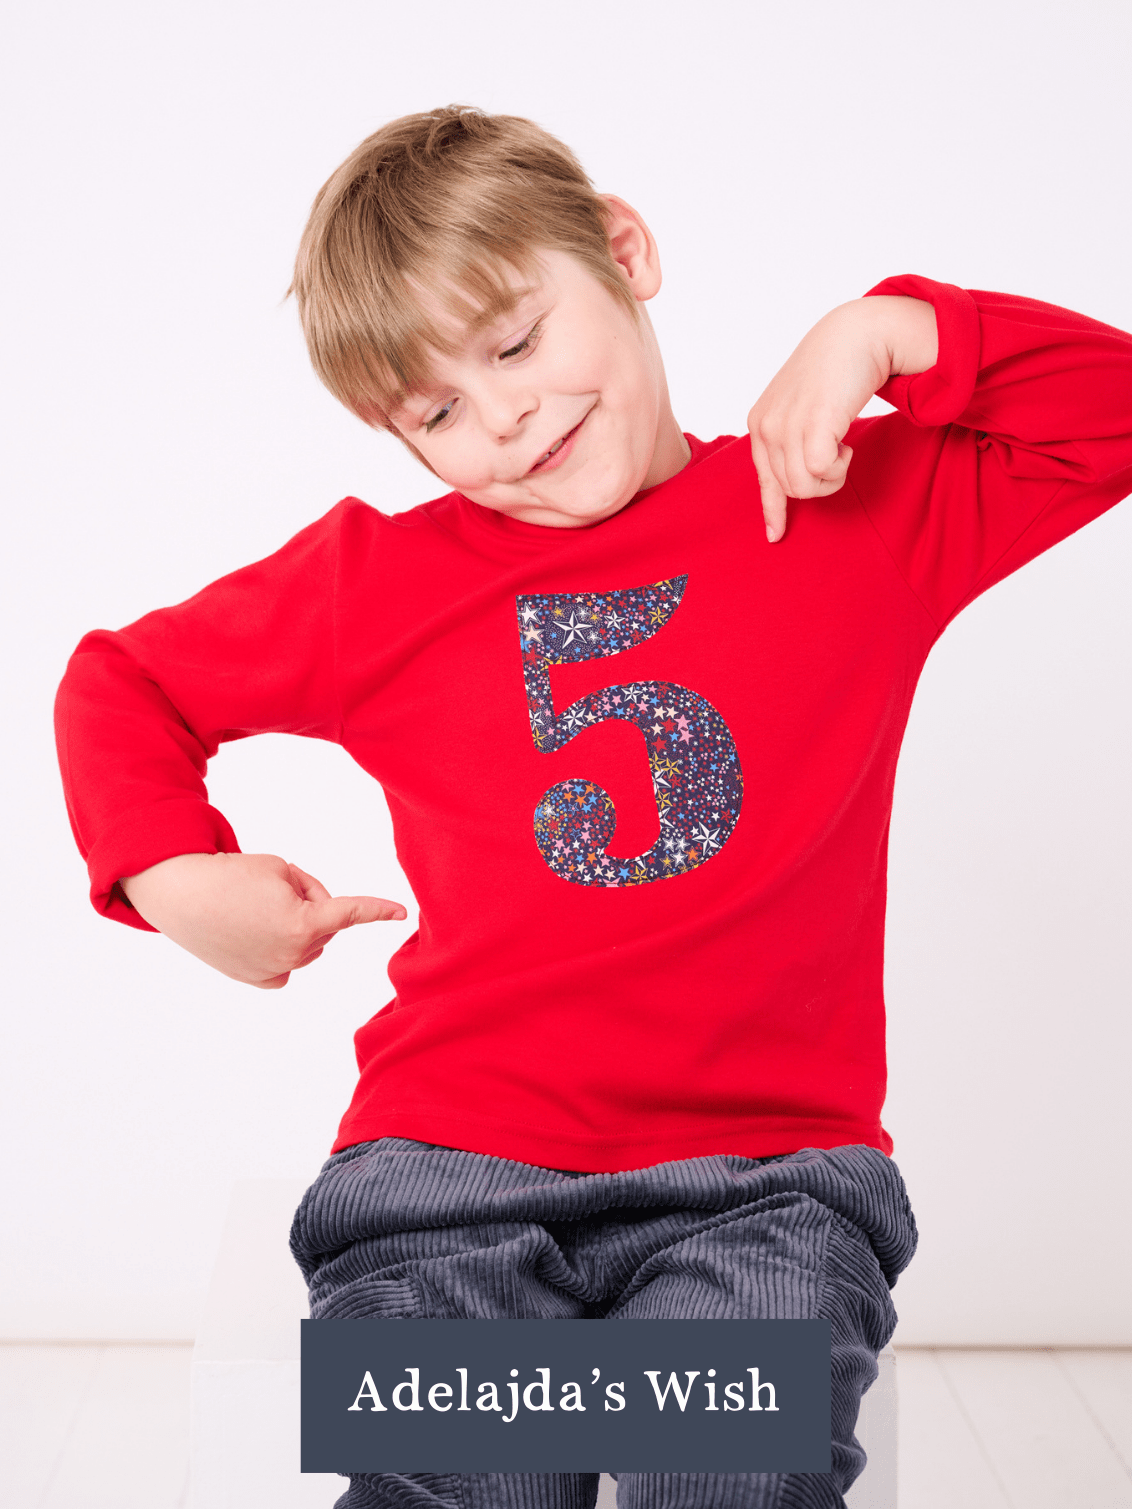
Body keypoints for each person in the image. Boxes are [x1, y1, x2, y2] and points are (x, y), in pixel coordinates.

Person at [54, 105, 1132, 1508]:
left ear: (622, 252)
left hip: (771, 1184)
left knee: (721, 1467)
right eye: (435, 411)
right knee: (466, 1477)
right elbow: (121, 680)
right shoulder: (375, 583)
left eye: (513, 342)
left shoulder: (846, 506)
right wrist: (169, 875)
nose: (501, 414)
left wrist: (893, 328)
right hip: (443, 1177)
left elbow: (1107, 413)